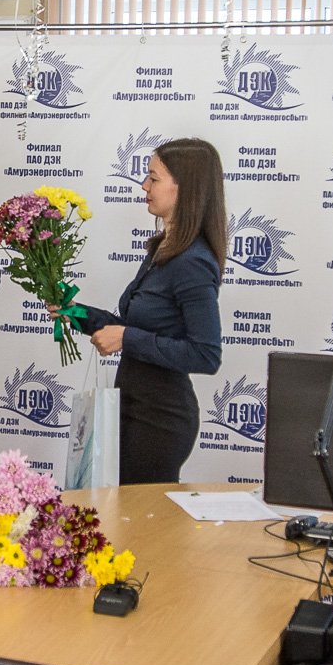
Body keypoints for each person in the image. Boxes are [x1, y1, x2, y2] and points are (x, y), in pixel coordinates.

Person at [55, 138, 225, 485]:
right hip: (134, 410)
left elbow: (206, 354)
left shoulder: (192, 262)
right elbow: (132, 327)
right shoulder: (163, 250)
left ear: (185, 188)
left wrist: (127, 339)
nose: (144, 186)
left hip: (160, 422)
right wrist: (75, 313)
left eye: (154, 178)